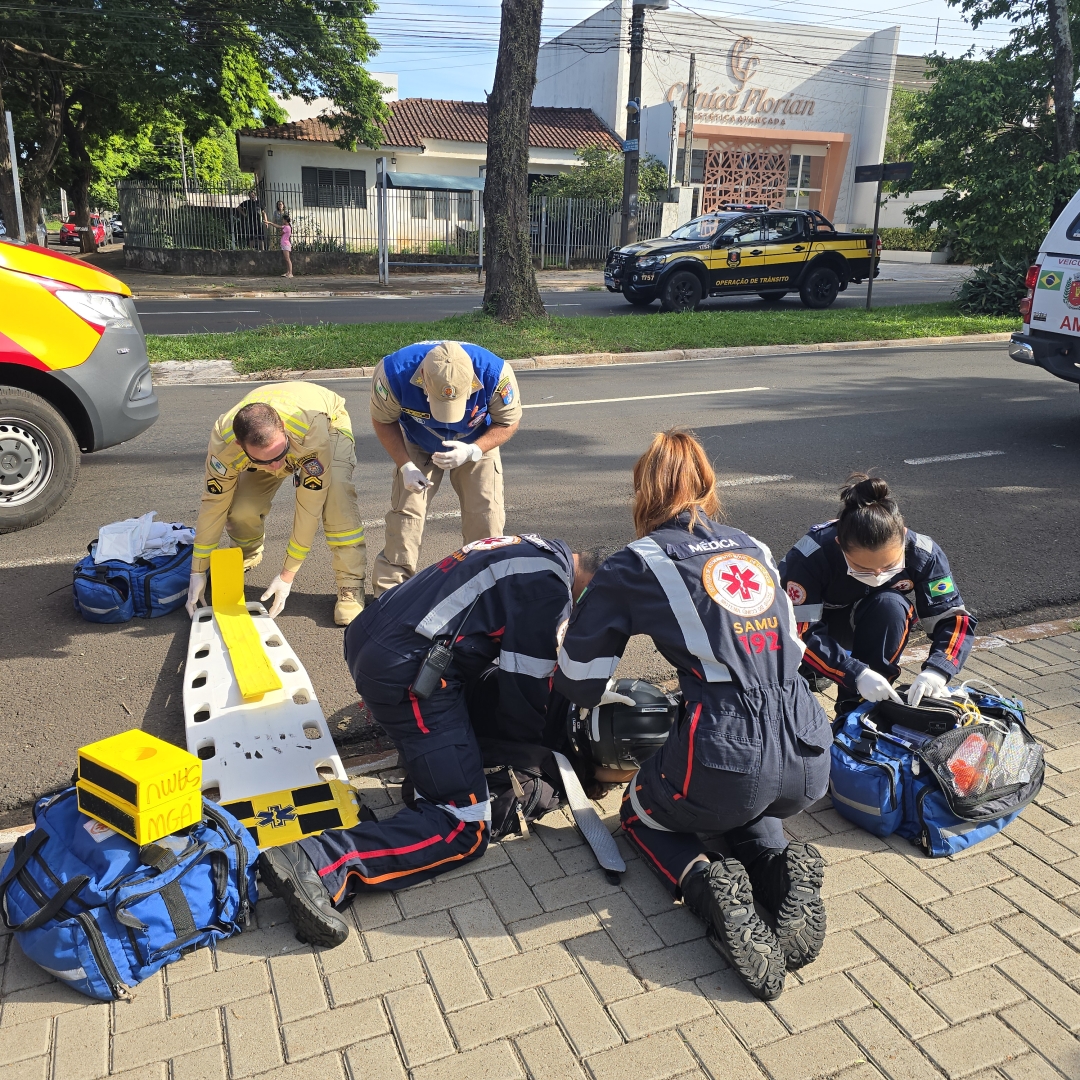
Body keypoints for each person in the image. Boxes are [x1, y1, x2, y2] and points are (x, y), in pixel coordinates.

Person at [552, 430, 831, 1002]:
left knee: (642, 811)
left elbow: (579, 683)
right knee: (744, 802)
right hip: (807, 747)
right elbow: (791, 648)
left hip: (727, 747)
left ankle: (703, 882)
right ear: (706, 486)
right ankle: (777, 865)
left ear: (642, 492)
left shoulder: (637, 561)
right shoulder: (752, 546)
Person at [258, 533, 598, 946]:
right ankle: (320, 861)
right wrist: (535, 757)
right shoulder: (550, 589)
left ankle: (431, 769)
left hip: (375, 638)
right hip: (408, 672)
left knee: (455, 749)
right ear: (589, 596)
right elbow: (524, 694)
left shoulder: (539, 549)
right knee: (464, 824)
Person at [778, 474, 975, 714]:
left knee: (891, 605)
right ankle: (817, 676)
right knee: (789, 685)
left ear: (903, 537)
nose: (879, 574)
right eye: (863, 568)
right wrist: (853, 672)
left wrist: (938, 670)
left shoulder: (923, 553)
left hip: (872, 621)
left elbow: (951, 617)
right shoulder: (810, 556)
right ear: (840, 544)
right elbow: (798, 631)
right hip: (819, 628)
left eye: (890, 565)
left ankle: (858, 710)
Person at [185, 382, 366, 626]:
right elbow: (213, 503)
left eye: (281, 456)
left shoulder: (312, 428)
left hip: (325, 428)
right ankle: (246, 554)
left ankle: (350, 586)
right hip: (280, 441)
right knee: (240, 510)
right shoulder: (224, 440)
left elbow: (309, 507)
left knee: (336, 501)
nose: (278, 467)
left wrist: (287, 574)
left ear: (282, 426)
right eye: (266, 461)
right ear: (240, 446)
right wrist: (197, 570)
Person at [368, 340, 522, 595]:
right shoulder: (393, 373)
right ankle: (390, 594)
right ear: (423, 380)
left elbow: (508, 422)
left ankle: (483, 591)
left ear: (473, 383)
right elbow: (383, 420)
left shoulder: (495, 374)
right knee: (406, 514)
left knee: (486, 515)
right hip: (419, 441)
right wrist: (405, 466)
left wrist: (473, 450)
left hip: (476, 441)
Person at [266, 212, 293, 277]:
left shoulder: (287, 227)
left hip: (286, 244)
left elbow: (281, 233)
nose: (282, 220)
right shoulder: (285, 226)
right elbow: (278, 226)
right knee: (286, 259)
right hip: (284, 244)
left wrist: (280, 232)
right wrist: (270, 223)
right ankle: (287, 272)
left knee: (287, 259)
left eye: (283, 219)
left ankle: (290, 273)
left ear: (286, 220)